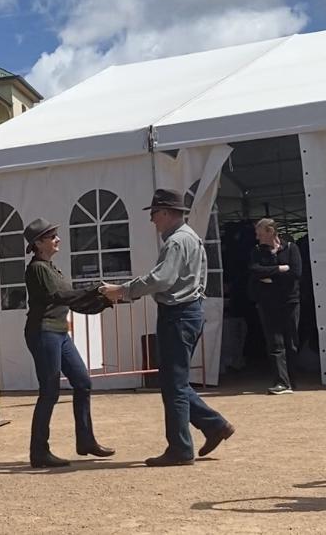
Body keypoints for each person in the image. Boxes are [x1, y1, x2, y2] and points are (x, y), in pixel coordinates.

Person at [100, 189, 235, 467]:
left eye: (153, 214)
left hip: (177, 314)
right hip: (189, 312)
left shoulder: (176, 242)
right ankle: (213, 426)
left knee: (173, 385)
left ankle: (181, 447)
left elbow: (162, 279)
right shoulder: (191, 238)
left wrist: (123, 290)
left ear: (164, 212)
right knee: (175, 381)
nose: (152, 220)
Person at [24, 217, 115, 468]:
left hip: (59, 333)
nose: (57, 239)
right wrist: (96, 290)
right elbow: (60, 295)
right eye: (52, 236)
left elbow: (73, 302)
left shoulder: (53, 269)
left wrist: (104, 302)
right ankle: (39, 452)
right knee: (49, 391)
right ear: (39, 243)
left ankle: (85, 441)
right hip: (43, 333)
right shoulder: (37, 269)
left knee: (83, 383)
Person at [249, 218, 302, 395]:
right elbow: (255, 271)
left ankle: (291, 380)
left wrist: (270, 278)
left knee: (291, 342)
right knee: (275, 343)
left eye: (260, 233)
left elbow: (296, 273)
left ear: (270, 232)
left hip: (290, 301)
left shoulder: (291, 249)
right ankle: (281, 381)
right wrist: (280, 269)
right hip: (267, 303)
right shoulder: (257, 252)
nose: (257, 237)